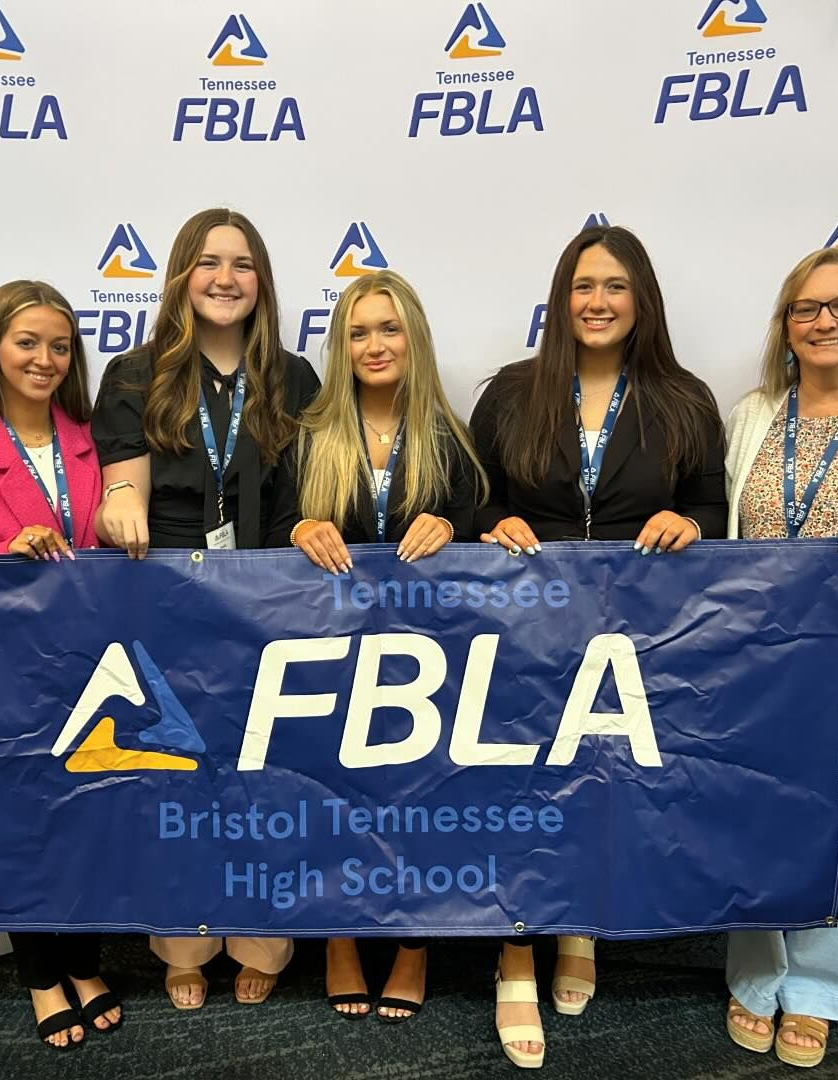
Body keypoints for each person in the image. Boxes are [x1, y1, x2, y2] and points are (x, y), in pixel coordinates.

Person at [469, 223, 727, 1068]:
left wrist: (688, 521)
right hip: (524, 627)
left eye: (615, 286)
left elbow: (714, 515)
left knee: (603, 783)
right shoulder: (509, 394)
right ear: (560, 298)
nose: (598, 302)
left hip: (634, 634)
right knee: (519, 786)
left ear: (641, 299)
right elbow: (476, 503)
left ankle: (579, 924)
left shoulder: (685, 400)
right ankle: (514, 952)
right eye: (583, 286)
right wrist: (489, 523)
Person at [91, 207, 320, 1009]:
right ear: (183, 274)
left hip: (269, 611)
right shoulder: (131, 373)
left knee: (264, 782)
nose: (226, 279)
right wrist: (119, 505)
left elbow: (300, 502)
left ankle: (262, 937)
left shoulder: (295, 378)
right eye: (210, 263)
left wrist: (309, 531)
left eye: (243, 264)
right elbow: (121, 487)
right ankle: (183, 937)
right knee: (178, 782)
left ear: (261, 282)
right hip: (169, 608)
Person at [266, 269, 484, 1022]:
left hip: (426, 664)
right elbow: (262, 541)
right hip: (330, 657)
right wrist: (297, 528)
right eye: (358, 332)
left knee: (420, 802)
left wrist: (454, 528)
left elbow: (488, 527)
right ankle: (341, 940)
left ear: (413, 337)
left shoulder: (449, 435)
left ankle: (414, 945)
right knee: (334, 800)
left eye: (388, 329)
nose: (374, 345)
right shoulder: (308, 435)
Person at [0, 280, 121, 1050]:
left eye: (60, 346)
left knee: (89, 820)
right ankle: (40, 973)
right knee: (25, 826)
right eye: (27, 343)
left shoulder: (91, 440)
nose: (44, 360)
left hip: (89, 662)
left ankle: (86, 957)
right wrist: (3, 556)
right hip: (4, 672)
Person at [723, 247, 838, 1070]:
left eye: (837, 306)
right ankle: (757, 978)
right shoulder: (754, 413)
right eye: (807, 307)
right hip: (760, 654)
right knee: (758, 810)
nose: (824, 321)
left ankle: (822, 988)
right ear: (785, 324)